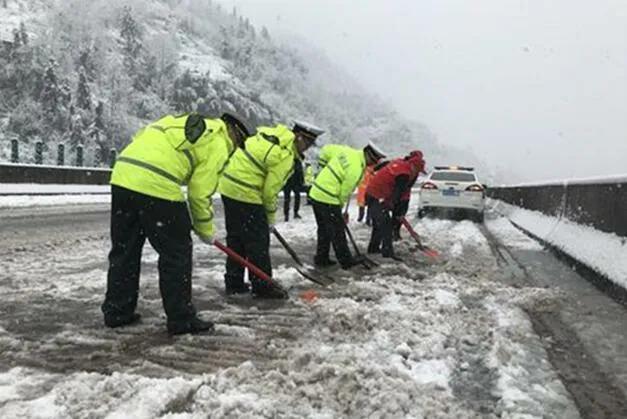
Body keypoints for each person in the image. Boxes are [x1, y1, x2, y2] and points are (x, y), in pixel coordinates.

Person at [102, 112, 250, 335]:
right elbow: (200, 193)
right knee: (176, 254)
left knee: (124, 251)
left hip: (123, 175)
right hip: (157, 182)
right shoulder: (218, 141)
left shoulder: (177, 121)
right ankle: (181, 318)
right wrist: (205, 229)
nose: (235, 148)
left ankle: (117, 312)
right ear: (234, 132)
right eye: (239, 144)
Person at [218, 121, 323, 298]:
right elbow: (270, 192)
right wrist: (270, 218)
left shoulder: (271, 136)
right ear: (298, 137)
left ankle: (233, 282)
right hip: (246, 192)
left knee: (236, 238)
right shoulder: (284, 155)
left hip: (228, 187)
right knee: (258, 242)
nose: (307, 148)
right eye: (307, 143)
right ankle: (262, 286)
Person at [309, 142, 386, 269]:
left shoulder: (347, 151)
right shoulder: (355, 167)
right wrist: (338, 208)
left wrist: (323, 169)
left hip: (316, 193)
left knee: (324, 228)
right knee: (338, 231)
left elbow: (326, 150)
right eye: (373, 162)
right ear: (368, 156)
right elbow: (345, 191)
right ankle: (346, 261)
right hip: (328, 196)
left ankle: (321, 258)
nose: (372, 165)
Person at [366, 150, 426, 260]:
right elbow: (398, 192)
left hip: (373, 194)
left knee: (379, 224)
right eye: (418, 170)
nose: (418, 173)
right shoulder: (404, 174)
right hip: (375, 195)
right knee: (386, 225)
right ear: (413, 166)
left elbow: (398, 191)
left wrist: (395, 206)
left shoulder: (400, 164)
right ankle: (387, 253)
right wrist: (390, 204)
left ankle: (373, 248)